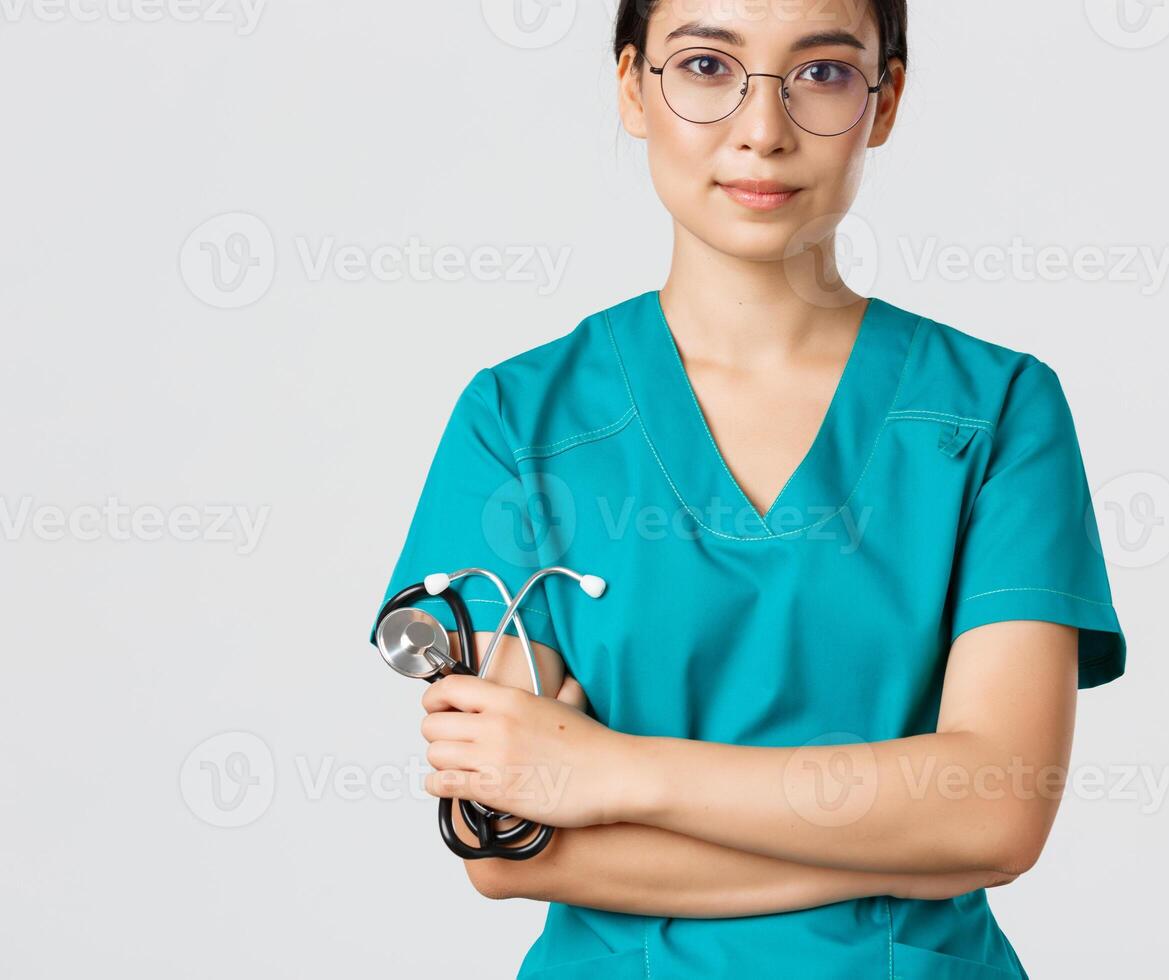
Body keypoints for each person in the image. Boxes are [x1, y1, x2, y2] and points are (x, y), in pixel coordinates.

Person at [375, 1, 1128, 975]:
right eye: (703, 66)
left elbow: (996, 808)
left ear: (884, 98)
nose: (761, 130)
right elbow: (506, 841)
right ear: (630, 86)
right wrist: (895, 836)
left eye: (819, 73)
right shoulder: (521, 421)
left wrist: (608, 769)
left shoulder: (995, 412)